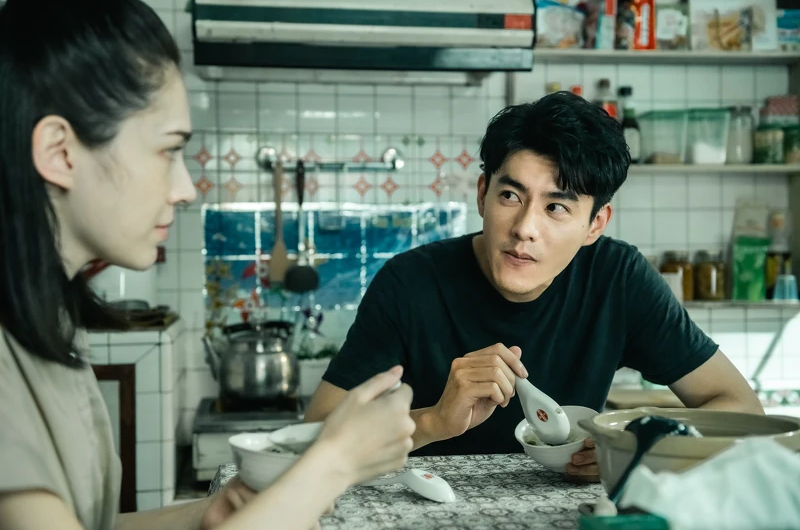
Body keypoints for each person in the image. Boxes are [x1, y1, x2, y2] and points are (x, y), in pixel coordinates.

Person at [0, 0, 415, 529]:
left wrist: (208, 513)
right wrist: (333, 464)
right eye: (168, 151)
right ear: (60, 152)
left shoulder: (47, 321)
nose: (186, 189)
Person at [305, 91, 764, 482]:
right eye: (510, 195)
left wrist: (633, 448)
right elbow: (313, 437)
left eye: (556, 207)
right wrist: (433, 421)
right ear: (482, 193)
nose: (525, 228)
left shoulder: (618, 279)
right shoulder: (410, 283)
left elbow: (740, 407)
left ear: (595, 224)